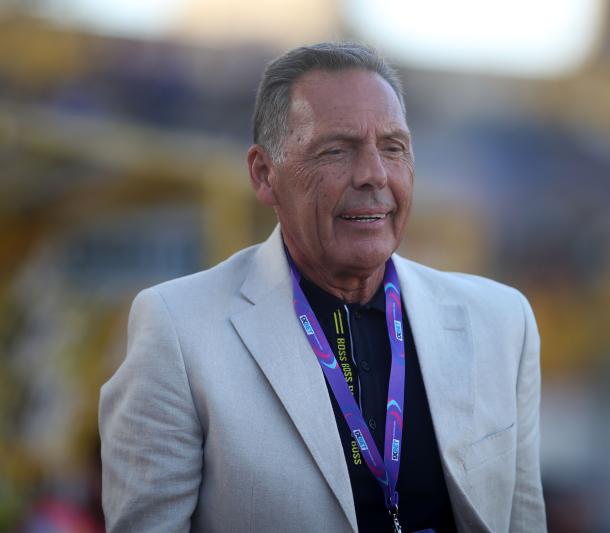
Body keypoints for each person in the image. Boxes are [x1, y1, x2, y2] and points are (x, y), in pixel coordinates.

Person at [99, 42, 546, 533]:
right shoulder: (178, 329)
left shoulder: (503, 323)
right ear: (265, 175)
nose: (373, 174)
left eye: (393, 148)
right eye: (337, 150)